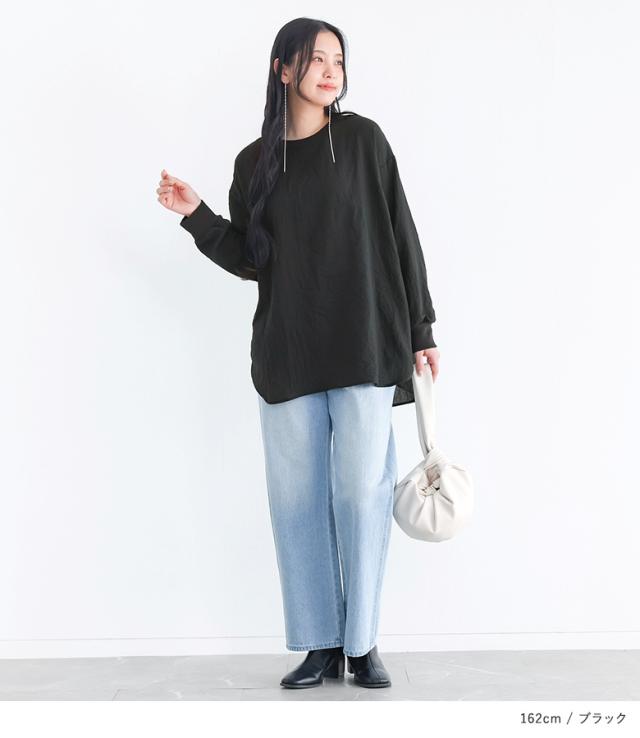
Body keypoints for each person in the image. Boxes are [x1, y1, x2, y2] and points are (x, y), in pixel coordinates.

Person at [157, 17, 440, 690]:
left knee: (362, 494)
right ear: (283, 69)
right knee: (296, 502)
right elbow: (253, 260)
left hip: (366, 341)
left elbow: (401, 233)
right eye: (315, 59)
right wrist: (196, 214)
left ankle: (362, 644)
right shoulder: (253, 163)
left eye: (337, 59)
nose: (330, 70)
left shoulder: (363, 141)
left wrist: (422, 328)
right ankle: (319, 643)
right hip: (289, 350)